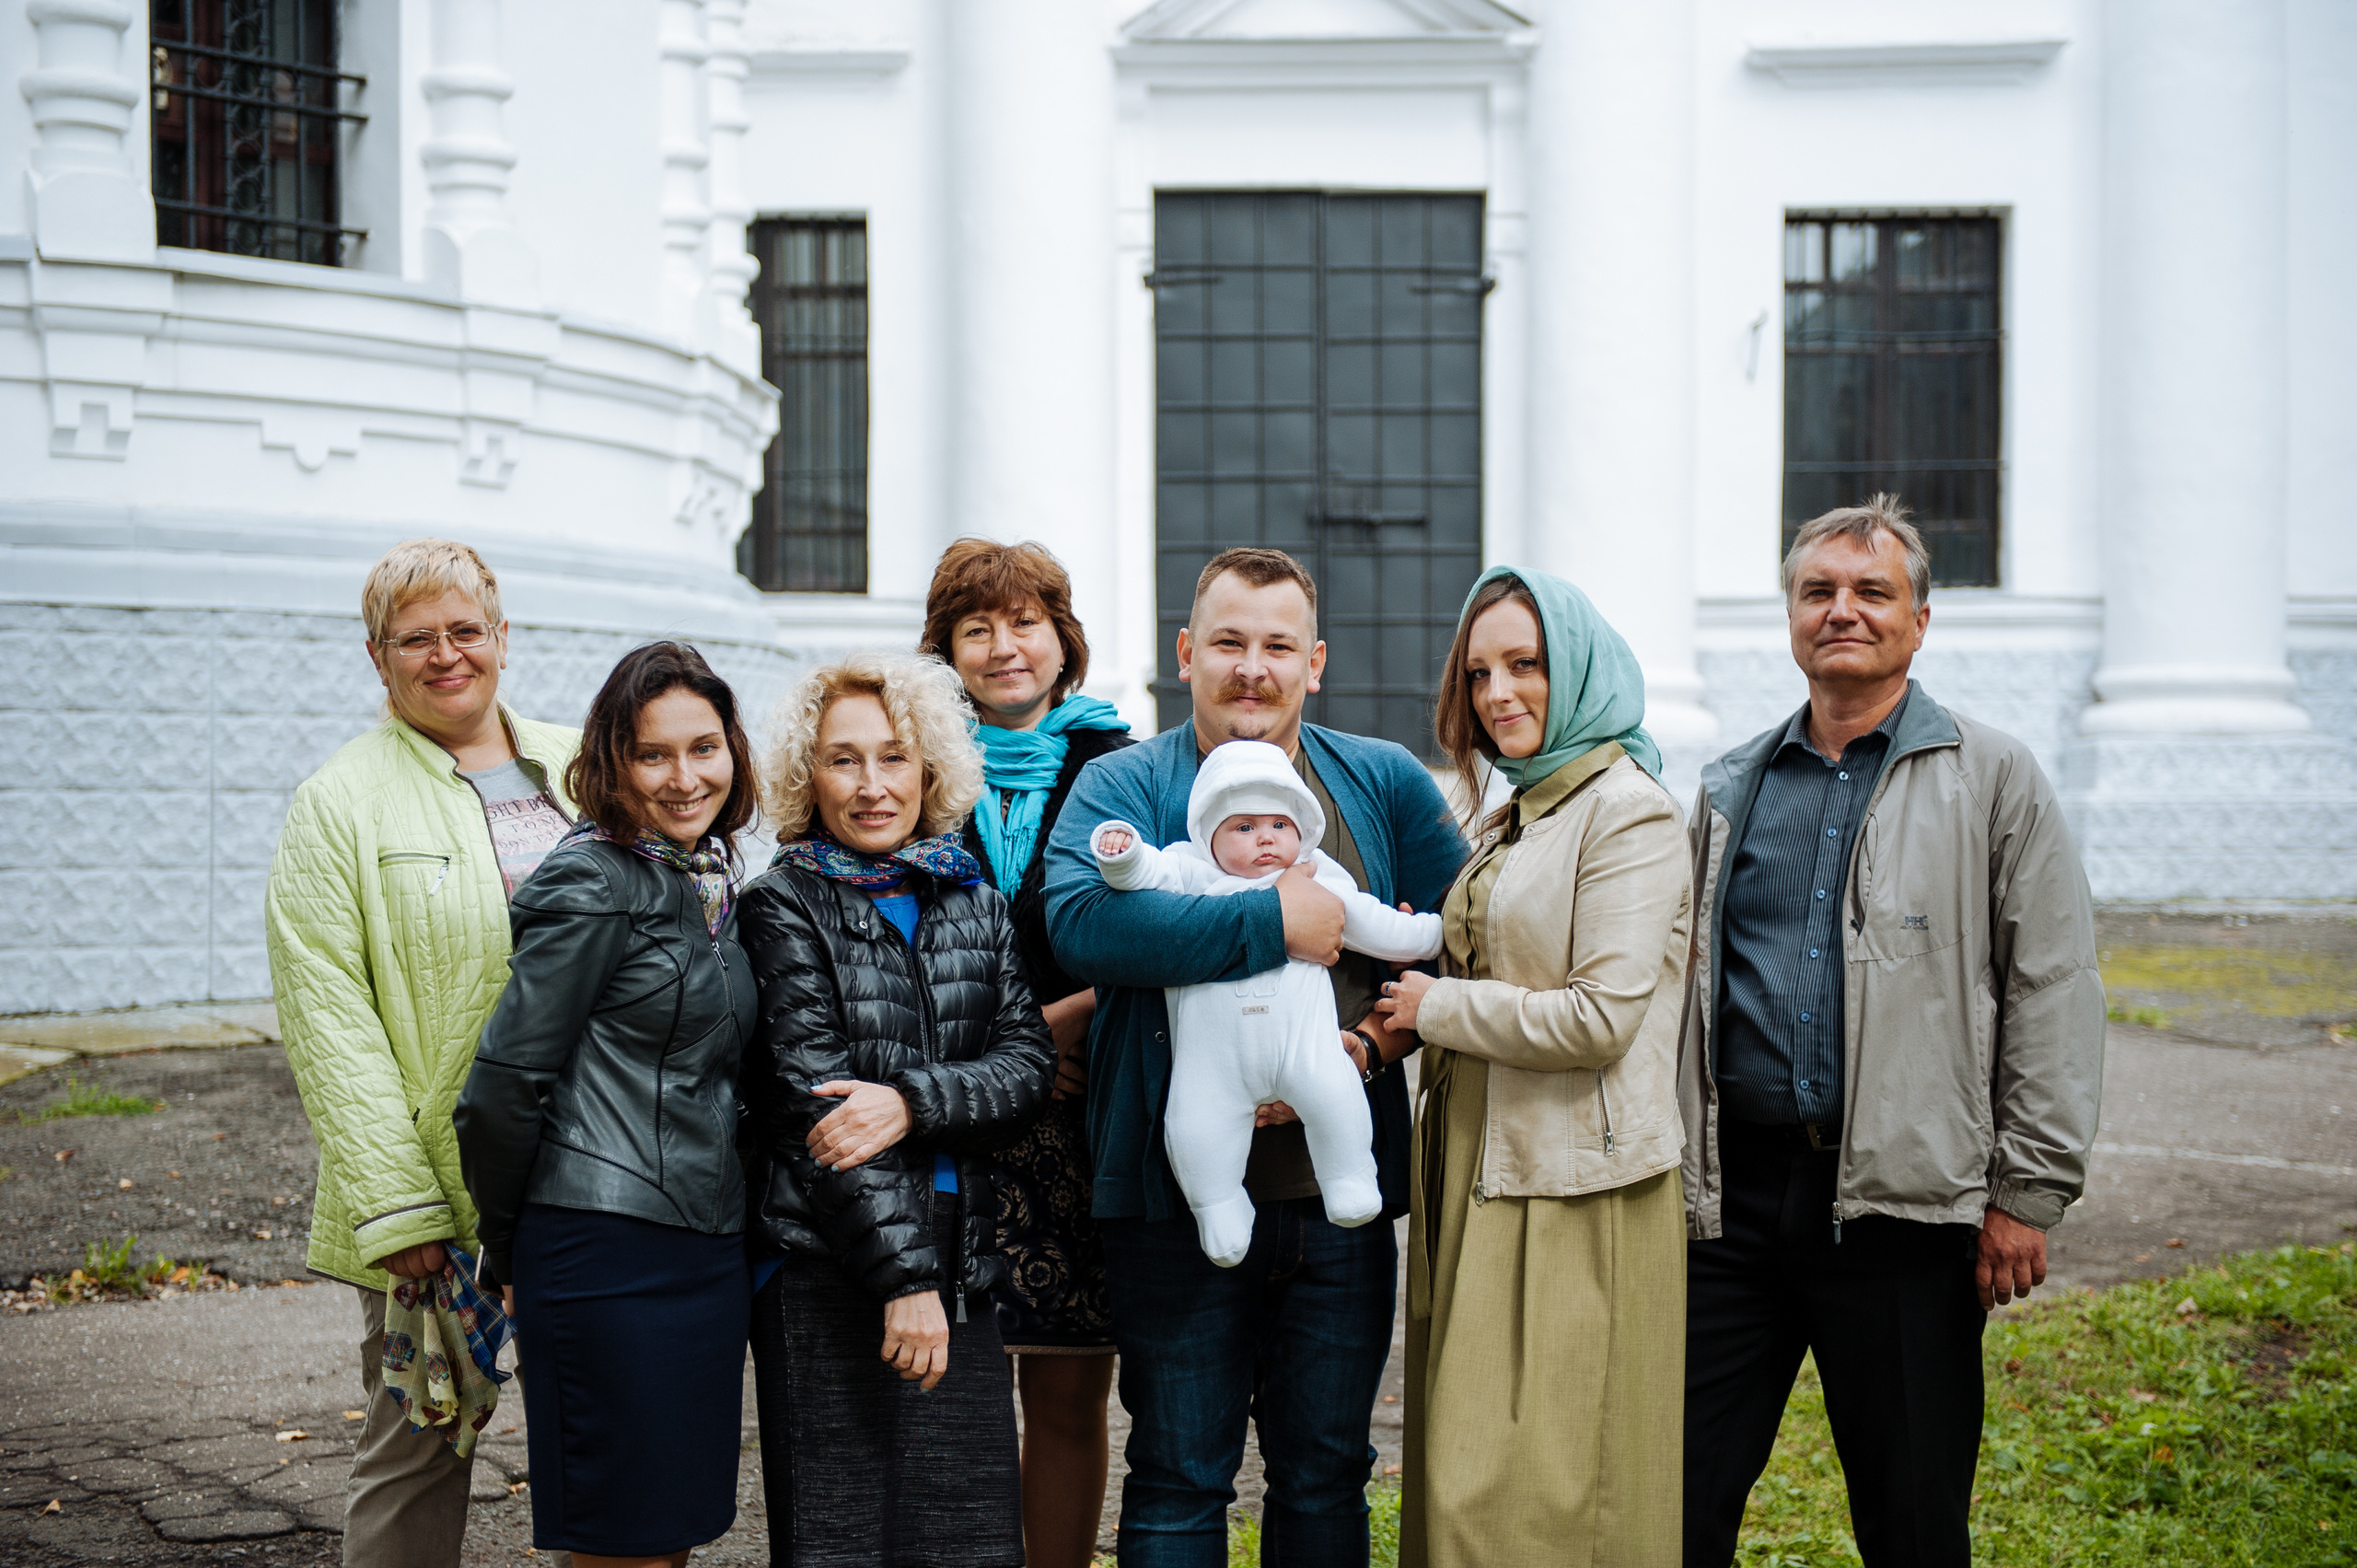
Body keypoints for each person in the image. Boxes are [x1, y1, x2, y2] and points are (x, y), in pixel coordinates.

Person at [1678, 497, 2106, 1568]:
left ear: (1920, 620)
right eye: (1818, 590)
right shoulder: (1730, 788)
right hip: (1733, 1214)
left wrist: (2027, 1191)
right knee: (1673, 1500)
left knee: (1912, 1521)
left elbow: (2052, 982)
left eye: (1872, 592)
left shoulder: (1992, 777)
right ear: (1789, 613)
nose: (1842, 611)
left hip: (1904, 1212)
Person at [1043, 546, 1468, 1568]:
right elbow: (1083, 925)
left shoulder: (1380, 779)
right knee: (1179, 1470)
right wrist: (1279, 918)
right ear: (1186, 652)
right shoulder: (1126, 783)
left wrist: (1366, 1043)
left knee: (1325, 1469)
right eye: (1227, 641)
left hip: (1334, 1194)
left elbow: (1462, 930)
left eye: (1277, 645)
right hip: (1169, 1196)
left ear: (1312, 662)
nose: (1251, 667)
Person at [264, 538, 579, 1568]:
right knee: (422, 1441)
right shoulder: (339, 803)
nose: (445, 655)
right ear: (376, 656)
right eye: (415, 639)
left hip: (600, 1171)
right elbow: (329, 1015)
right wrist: (400, 1211)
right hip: (438, 1200)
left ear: (501, 637)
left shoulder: (585, 764)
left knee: (617, 1438)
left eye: (464, 630)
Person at [1375, 567, 1693, 1567]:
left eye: (1525, 664)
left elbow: (1600, 1016)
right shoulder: (1524, 809)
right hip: (1484, 1161)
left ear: (1583, 670)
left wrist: (1438, 1005)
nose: (1497, 692)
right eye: (1478, 673)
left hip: (1570, 1181)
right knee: (1471, 1461)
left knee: (1541, 1480)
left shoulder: (1626, 812)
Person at [736, 650, 1057, 1568]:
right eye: (844, 759)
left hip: (962, 1254)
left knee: (970, 1537)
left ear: (931, 768)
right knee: (845, 1541)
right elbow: (817, 1112)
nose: (872, 784)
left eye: (893, 756)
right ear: (808, 775)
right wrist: (903, 1282)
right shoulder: (782, 905)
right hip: (826, 1256)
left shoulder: (976, 901)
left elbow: (1028, 1066)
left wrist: (913, 1100)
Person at [454, 642, 760, 1566]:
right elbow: (502, 1086)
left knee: (670, 1531)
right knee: (618, 1540)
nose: (684, 776)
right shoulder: (591, 877)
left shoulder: (708, 879)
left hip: (704, 1249)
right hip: (600, 1246)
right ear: (612, 762)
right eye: (652, 753)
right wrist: (511, 1249)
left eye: (703, 747)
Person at [919, 538, 1132, 1568]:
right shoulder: (912, 767)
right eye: (976, 628)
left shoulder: (1122, 767)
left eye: (1024, 622)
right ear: (946, 649)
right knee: (945, 1389)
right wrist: (1010, 1046)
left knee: (1063, 1384)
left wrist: (1056, 1027)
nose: (1004, 647)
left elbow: (1151, 934)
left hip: (1075, 1117)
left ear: (1062, 637)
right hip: (949, 1112)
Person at [1091, 738, 1442, 1263]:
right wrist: (1123, 855)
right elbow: (1144, 878)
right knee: (1193, 1128)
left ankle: (1349, 1178)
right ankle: (1218, 1208)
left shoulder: (1318, 874)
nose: (1265, 840)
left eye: (1279, 825)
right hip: (1213, 1065)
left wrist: (1427, 936)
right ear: (1210, 835)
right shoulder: (1191, 868)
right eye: (1244, 827)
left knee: (1336, 1096)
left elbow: (1373, 922)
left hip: (1309, 1049)